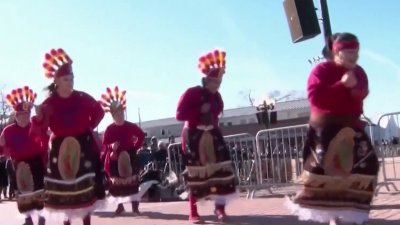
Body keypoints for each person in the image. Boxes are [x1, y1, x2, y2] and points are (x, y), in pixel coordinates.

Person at [286, 33, 379, 225]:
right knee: (327, 172)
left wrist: (355, 89)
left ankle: (351, 211)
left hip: (351, 126)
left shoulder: (359, 71)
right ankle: (333, 216)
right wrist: (341, 85)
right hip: (325, 129)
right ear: (337, 52)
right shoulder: (320, 71)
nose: (354, 57)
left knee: (367, 164)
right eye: (349, 53)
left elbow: (362, 93)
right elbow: (315, 99)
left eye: (356, 52)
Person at [31, 48, 106, 225]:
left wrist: (88, 127)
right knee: (65, 192)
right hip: (59, 149)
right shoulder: (49, 103)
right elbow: (41, 127)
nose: (70, 81)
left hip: (83, 145)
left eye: (72, 78)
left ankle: (86, 222)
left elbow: (99, 112)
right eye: (66, 79)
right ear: (56, 81)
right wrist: (39, 117)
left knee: (84, 187)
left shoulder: (82, 97)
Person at [176, 49, 236, 223]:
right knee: (196, 174)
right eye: (215, 80)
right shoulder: (192, 93)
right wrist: (198, 111)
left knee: (221, 171)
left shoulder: (218, 97)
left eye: (220, 81)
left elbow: (216, 117)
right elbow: (179, 115)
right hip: (193, 136)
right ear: (207, 79)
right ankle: (193, 212)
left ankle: (220, 209)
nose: (218, 84)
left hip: (213, 135)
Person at [0, 86, 47, 225]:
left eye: (27, 114)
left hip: (36, 161)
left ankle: (41, 216)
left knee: (38, 190)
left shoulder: (35, 125)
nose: (25, 117)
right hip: (18, 163)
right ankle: (28, 218)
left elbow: (45, 138)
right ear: (16, 116)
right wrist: (3, 146)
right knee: (22, 192)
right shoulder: (8, 131)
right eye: (22, 115)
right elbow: (2, 150)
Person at [100, 86, 148, 215]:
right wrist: (112, 147)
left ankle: (135, 207)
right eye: (117, 114)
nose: (120, 116)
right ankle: (120, 206)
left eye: (121, 113)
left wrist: (135, 147)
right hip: (115, 157)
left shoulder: (130, 126)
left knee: (133, 182)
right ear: (113, 116)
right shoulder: (109, 129)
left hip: (129, 155)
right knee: (116, 184)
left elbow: (141, 135)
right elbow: (105, 144)